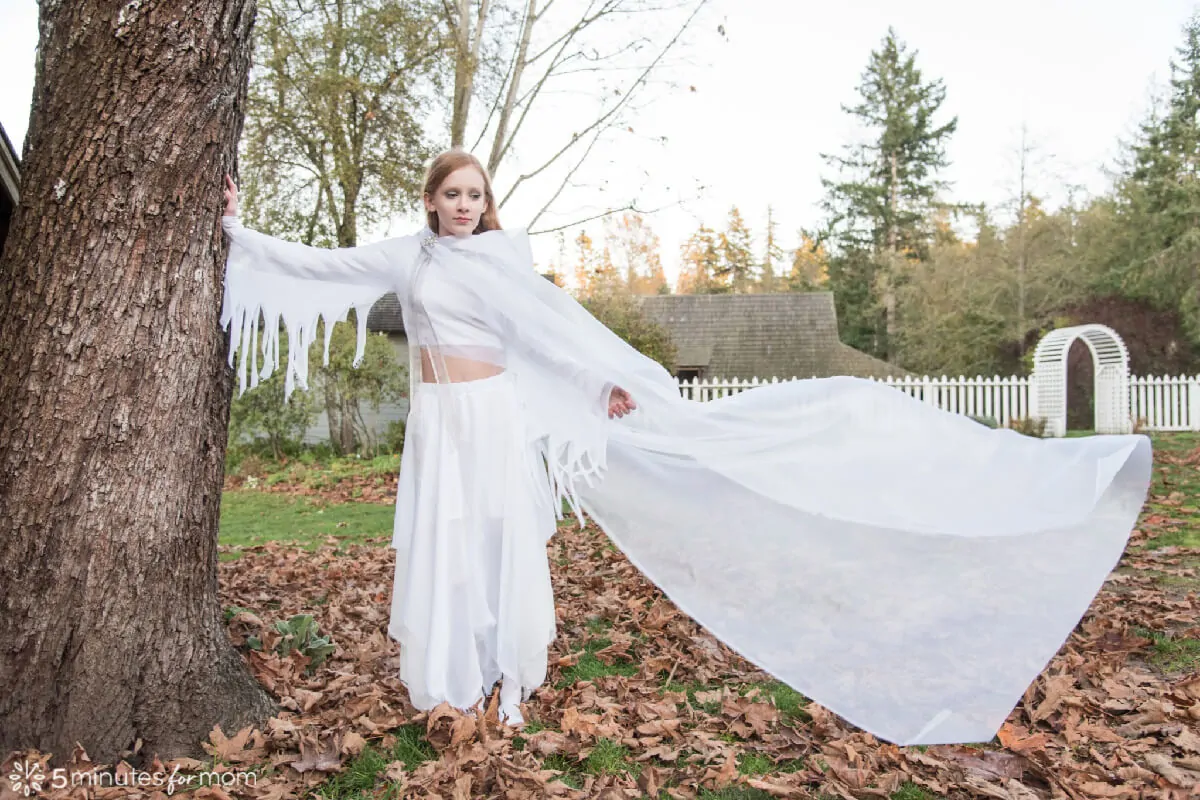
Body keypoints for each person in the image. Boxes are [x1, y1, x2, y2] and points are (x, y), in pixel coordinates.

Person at [219, 148, 1153, 745]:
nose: (464, 206)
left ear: (487, 205)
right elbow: (316, 265)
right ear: (429, 201)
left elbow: (552, 333)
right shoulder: (406, 255)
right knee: (438, 544)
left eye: (477, 195)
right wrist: (234, 229)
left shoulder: (505, 259)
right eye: (451, 194)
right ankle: (442, 680)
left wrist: (599, 385)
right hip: (437, 426)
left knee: (498, 541)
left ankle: (506, 672)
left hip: (494, 420)